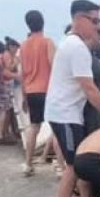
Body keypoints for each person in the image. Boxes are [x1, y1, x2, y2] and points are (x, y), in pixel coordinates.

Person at [45, 0, 100, 197]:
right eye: (94, 20)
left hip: (71, 113)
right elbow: (90, 88)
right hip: (65, 114)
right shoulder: (75, 47)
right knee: (74, 166)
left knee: (82, 161)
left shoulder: (76, 46)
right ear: (78, 19)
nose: (98, 26)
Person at [19, 9, 57, 176]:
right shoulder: (47, 42)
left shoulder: (23, 46)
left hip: (31, 91)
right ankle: (61, 166)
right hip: (48, 90)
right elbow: (54, 66)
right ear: (43, 22)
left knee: (33, 127)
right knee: (57, 127)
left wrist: (24, 96)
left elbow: (22, 74)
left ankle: (28, 164)